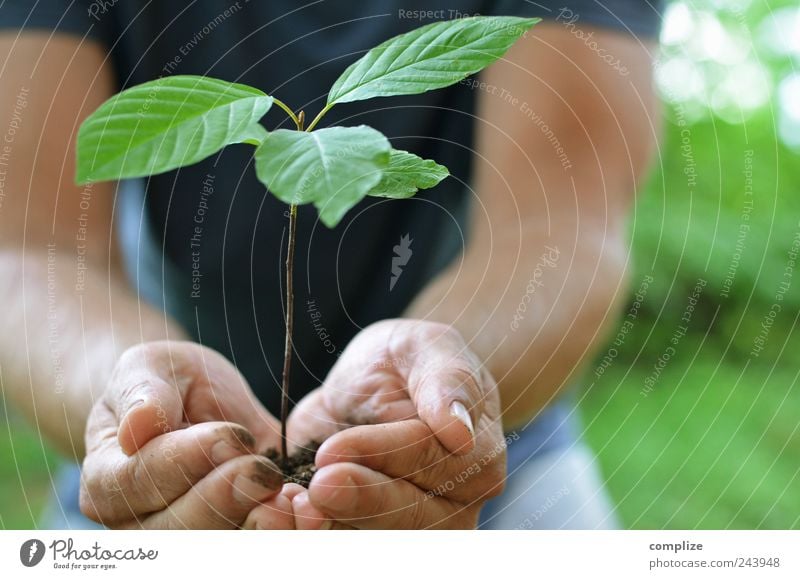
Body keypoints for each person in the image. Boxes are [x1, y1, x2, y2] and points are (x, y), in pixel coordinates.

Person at [0, 0, 661, 530]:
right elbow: (28, 247)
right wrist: (139, 408)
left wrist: (437, 395)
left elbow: (562, 223)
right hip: (150, 436)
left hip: (484, 428)